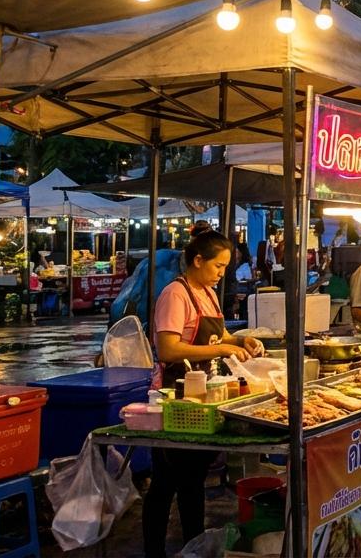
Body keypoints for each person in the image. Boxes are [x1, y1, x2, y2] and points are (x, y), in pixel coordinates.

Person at [146, 231, 263, 558]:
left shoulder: (207, 293)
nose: (221, 272)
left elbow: (219, 334)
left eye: (226, 266)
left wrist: (241, 341)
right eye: (218, 265)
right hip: (173, 397)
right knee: (166, 482)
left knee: (192, 480)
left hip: (203, 393)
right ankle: (154, 551)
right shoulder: (175, 294)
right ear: (198, 260)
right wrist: (225, 346)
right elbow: (168, 348)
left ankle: (192, 547)